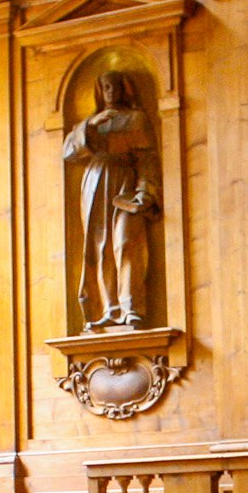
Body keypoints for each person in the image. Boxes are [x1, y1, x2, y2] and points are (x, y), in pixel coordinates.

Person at [64, 70, 162, 330]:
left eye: (114, 86)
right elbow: (68, 152)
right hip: (95, 182)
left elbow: (148, 158)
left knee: (126, 241)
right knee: (100, 246)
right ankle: (110, 308)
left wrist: (144, 191)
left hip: (125, 183)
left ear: (124, 88)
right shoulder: (91, 122)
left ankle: (132, 308)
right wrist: (92, 124)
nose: (110, 91)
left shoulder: (135, 118)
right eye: (105, 86)